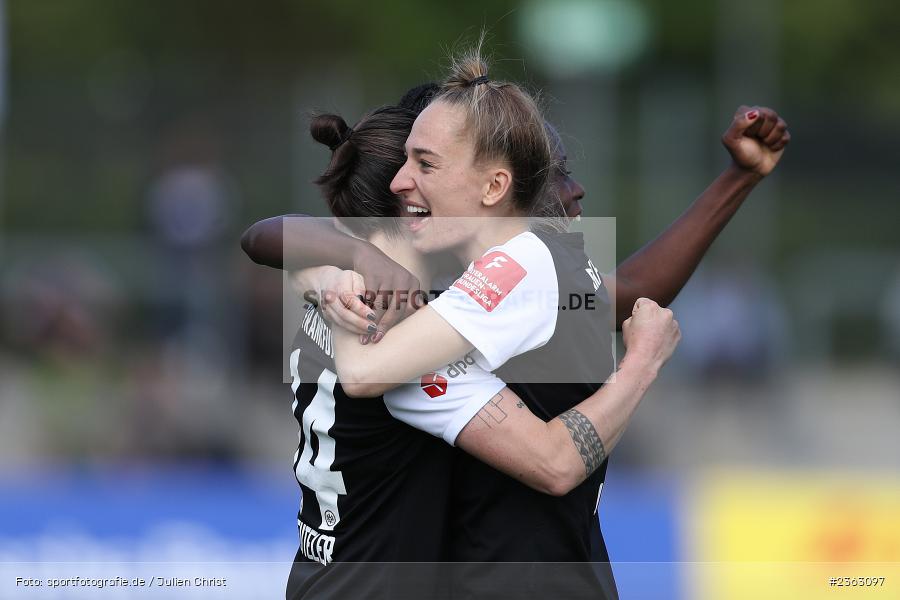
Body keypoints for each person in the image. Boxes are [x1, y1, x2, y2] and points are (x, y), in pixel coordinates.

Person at [267, 102, 678, 599]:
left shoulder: (337, 282)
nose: (570, 191)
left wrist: (324, 268)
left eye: (428, 164)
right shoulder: (408, 337)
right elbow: (555, 462)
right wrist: (643, 361)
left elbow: (266, 234)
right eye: (417, 165)